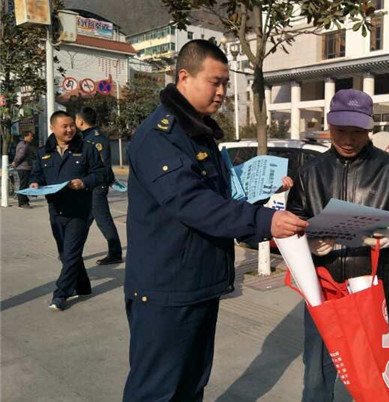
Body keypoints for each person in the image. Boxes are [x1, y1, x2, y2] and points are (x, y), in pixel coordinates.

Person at [123, 39, 308, 401]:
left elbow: (221, 198)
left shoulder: (198, 134)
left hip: (199, 282)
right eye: (215, 82)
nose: (222, 92)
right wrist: (264, 220)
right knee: (157, 391)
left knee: (192, 385)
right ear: (184, 77)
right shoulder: (159, 137)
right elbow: (192, 202)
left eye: (225, 83)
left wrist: (261, 193)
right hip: (167, 289)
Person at [286, 89, 389, 402]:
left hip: (374, 290)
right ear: (329, 125)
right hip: (323, 291)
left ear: (369, 128)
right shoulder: (309, 172)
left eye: (357, 132)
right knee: (317, 377)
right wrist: (307, 242)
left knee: (374, 374)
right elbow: (293, 221)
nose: (348, 140)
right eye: (340, 131)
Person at [29, 111, 106, 311]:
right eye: (65, 126)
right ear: (53, 128)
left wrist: (84, 182)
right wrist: (35, 183)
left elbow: (101, 174)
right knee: (65, 254)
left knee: (71, 254)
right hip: (56, 210)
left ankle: (61, 294)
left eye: (72, 125)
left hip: (80, 210)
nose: (70, 129)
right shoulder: (42, 152)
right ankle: (83, 286)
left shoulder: (87, 149)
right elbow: (37, 174)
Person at [75, 107, 123, 265]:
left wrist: (107, 180)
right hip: (88, 185)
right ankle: (73, 252)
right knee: (83, 220)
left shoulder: (95, 139)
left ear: (80, 121)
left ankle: (115, 253)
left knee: (103, 220)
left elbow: (103, 164)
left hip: (96, 185)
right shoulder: (87, 137)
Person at [11, 131, 36, 208]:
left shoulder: (23, 144)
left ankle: (25, 201)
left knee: (24, 185)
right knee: (23, 185)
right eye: (31, 136)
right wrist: (15, 163)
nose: (32, 138)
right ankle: (22, 203)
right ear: (26, 136)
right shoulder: (24, 144)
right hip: (23, 167)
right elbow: (20, 155)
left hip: (24, 167)